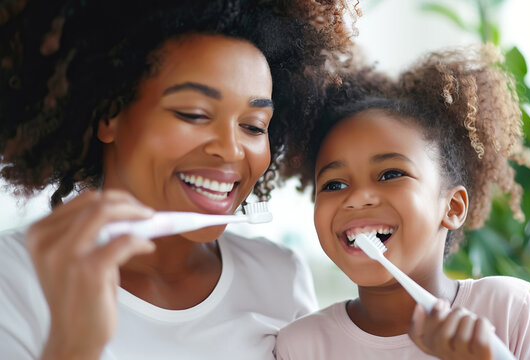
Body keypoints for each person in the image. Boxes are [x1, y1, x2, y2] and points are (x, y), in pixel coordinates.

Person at [0, 0, 356, 359]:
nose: (231, 150)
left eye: (253, 126)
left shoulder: (279, 277)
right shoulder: (12, 277)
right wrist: (76, 344)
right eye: (194, 114)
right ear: (108, 114)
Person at [275, 44, 530, 359]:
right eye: (334, 184)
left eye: (389, 175)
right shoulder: (300, 345)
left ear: (452, 207)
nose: (356, 197)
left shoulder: (507, 308)